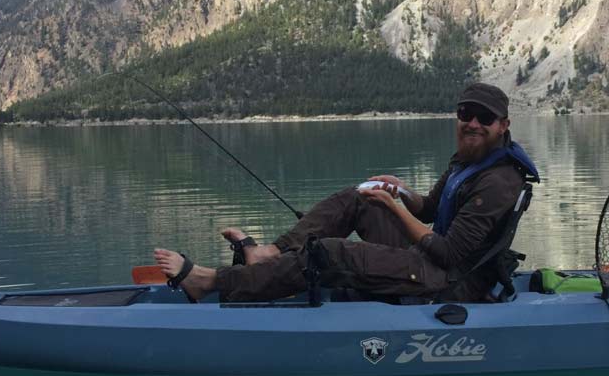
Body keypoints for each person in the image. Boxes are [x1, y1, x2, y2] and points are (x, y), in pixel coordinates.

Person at [153, 82, 538, 303]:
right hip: (432, 260)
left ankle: (209, 281)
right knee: (360, 198)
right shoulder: (468, 159)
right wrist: (400, 192)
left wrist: (394, 207)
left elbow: (450, 253)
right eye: (465, 114)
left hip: (450, 281)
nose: (472, 123)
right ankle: (269, 254)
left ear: (503, 125)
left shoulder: (498, 180)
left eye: (484, 118)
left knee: (333, 253)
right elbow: (431, 209)